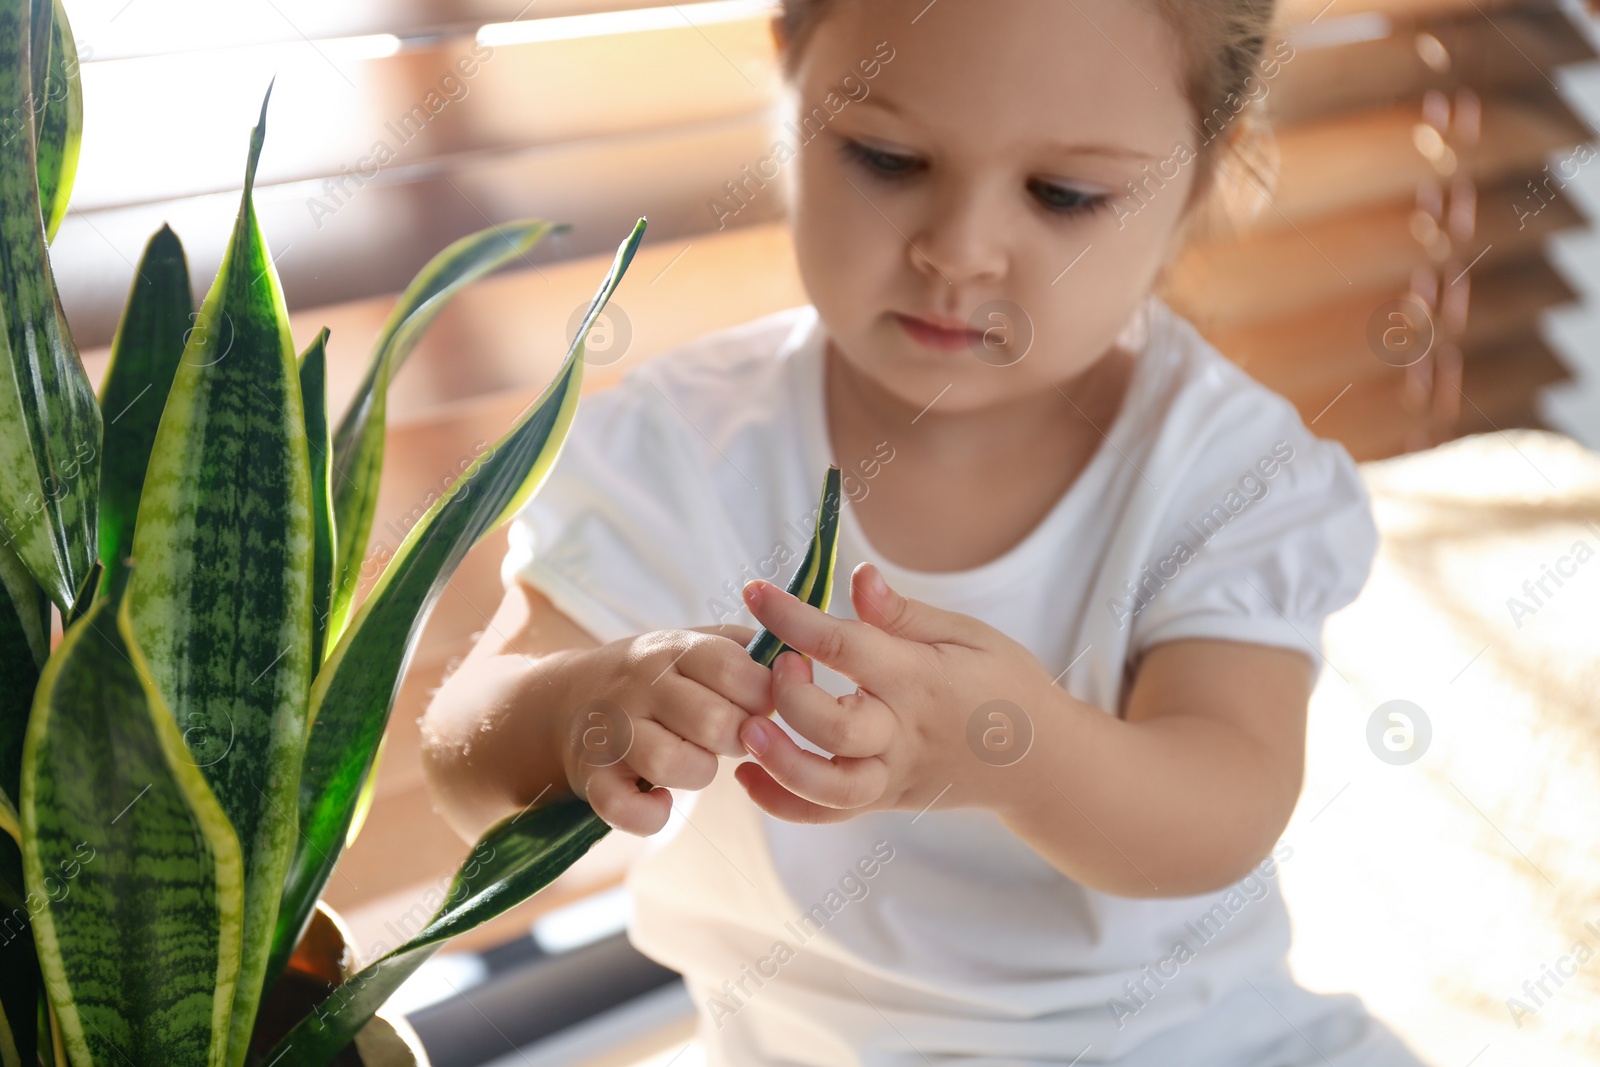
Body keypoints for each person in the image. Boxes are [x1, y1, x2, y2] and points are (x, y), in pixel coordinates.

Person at [421, 1, 1434, 1063]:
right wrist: (580, 709)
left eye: (1063, 194)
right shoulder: (678, 443)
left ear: (1206, 166)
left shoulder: (1228, 471)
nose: (956, 252)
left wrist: (1017, 751)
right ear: (789, 84)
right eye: (885, 156)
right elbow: (462, 754)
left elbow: (1226, 804)